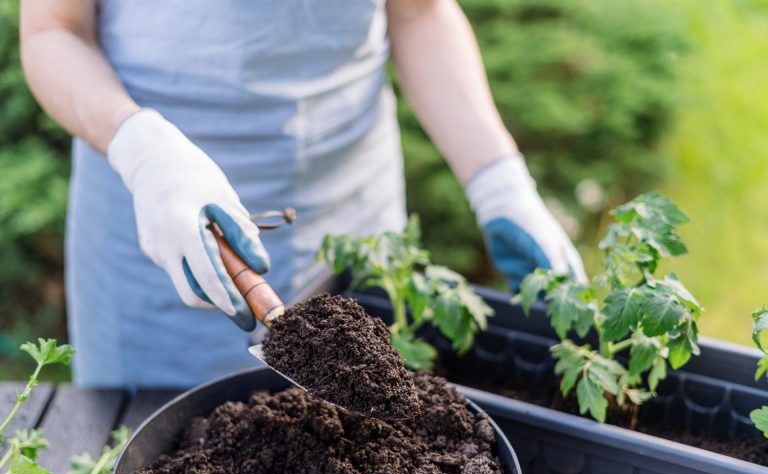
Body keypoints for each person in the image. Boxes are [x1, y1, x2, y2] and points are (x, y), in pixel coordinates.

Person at [20, 0, 586, 389]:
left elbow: (419, 11)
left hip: (352, 212)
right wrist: (142, 151)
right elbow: (53, 29)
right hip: (159, 209)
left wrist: (498, 181)